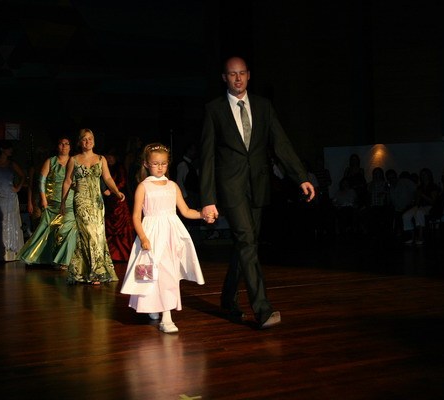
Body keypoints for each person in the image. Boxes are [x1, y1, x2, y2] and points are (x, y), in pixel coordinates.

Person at [199, 56, 315, 329]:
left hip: (259, 185)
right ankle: (262, 310)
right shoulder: (214, 109)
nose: (238, 78)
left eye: (242, 73)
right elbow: (207, 156)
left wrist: (300, 177)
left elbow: (280, 142)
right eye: (232, 74)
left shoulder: (263, 106)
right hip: (231, 187)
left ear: (249, 75)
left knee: (246, 244)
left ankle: (228, 298)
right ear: (224, 78)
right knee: (247, 241)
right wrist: (208, 199)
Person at [120, 143, 205, 333]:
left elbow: (185, 211)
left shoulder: (172, 186)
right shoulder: (143, 187)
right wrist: (143, 237)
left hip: (170, 234)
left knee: (168, 274)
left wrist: (202, 214)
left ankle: (166, 316)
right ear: (146, 164)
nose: (160, 167)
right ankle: (152, 305)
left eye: (164, 163)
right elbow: (136, 216)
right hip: (151, 233)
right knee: (148, 273)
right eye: (155, 163)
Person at [60, 129, 125, 284]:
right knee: (89, 233)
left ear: (94, 141)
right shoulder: (74, 159)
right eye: (84, 139)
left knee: (97, 234)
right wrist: (63, 202)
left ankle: (84, 270)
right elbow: (68, 181)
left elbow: (107, 178)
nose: (87, 142)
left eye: (90, 139)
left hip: (97, 202)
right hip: (81, 201)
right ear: (80, 142)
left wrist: (116, 192)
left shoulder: (101, 159)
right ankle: (96, 271)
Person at [18, 136, 77, 269]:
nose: (64, 146)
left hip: (69, 201)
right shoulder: (51, 161)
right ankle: (43, 257)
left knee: (69, 229)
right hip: (53, 202)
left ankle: (64, 260)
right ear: (57, 146)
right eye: (61, 143)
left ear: (70, 147)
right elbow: (41, 181)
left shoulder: (74, 161)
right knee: (48, 230)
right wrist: (43, 199)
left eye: (67, 144)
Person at [0, 140, 25, 261]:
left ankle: (10, 252)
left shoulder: (12, 164)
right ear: (2, 149)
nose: (11, 151)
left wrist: (17, 188)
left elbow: (23, 176)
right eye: (9, 148)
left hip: (10, 196)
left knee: (10, 220)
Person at [102, 148, 135, 261]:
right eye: (107, 157)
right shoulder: (105, 169)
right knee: (109, 228)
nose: (109, 159)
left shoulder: (119, 168)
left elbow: (122, 182)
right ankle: (111, 254)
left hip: (119, 200)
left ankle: (123, 254)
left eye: (111, 157)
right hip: (108, 201)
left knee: (121, 228)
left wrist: (112, 191)